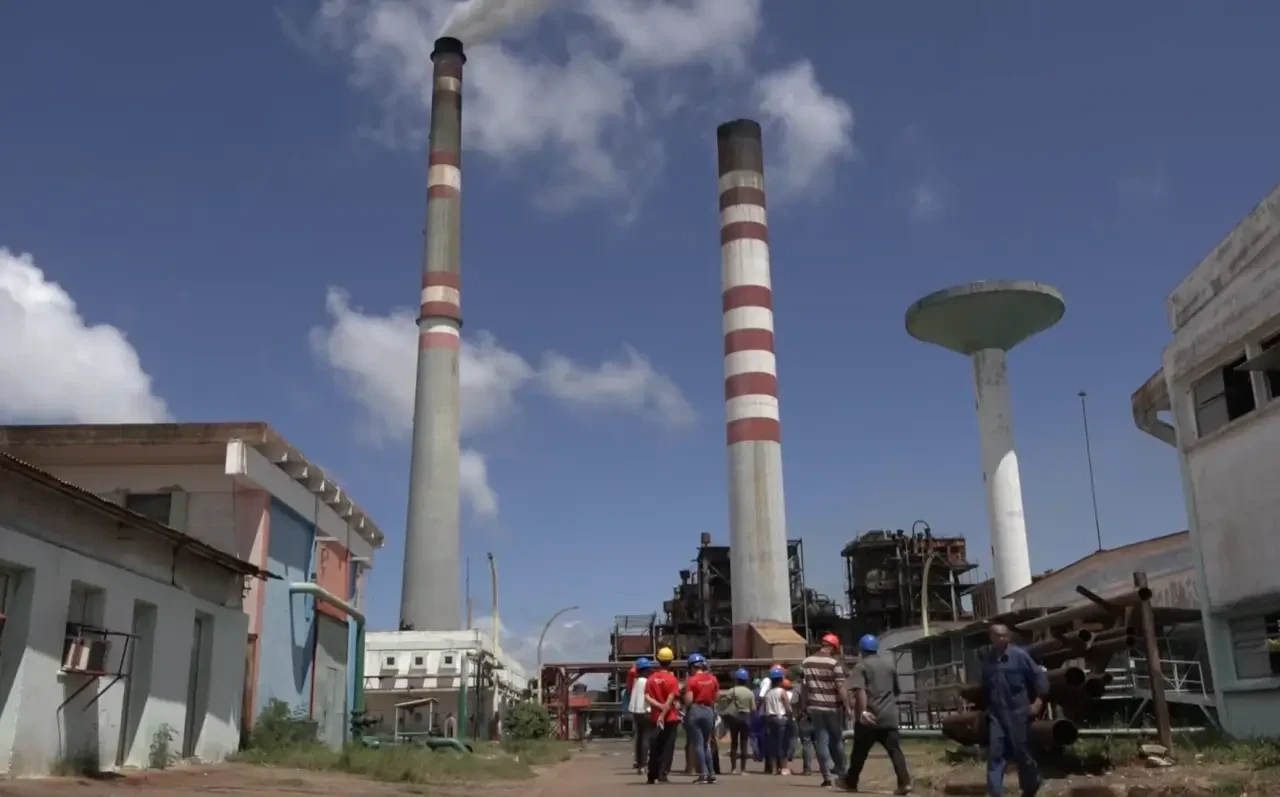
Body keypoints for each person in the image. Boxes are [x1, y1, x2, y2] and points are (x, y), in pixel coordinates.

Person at [980, 623, 1048, 797]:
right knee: (995, 756)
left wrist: (1038, 701)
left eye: (1005, 635)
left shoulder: (1019, 656)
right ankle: (995, 793)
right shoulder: (988, 660)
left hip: (1018, 713)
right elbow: (986, 686)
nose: (1002, 638)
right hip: (997, 715)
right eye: (998, 635)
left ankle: (1031, 785)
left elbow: (1038, 675)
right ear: (991, 638)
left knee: (1022, 753)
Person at [845, 634, 912, 795]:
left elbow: (860, 691)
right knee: (895, 751)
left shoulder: (861, 666)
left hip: (869, 718)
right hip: (889, 717)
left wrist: (863, 711)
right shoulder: (889, 666)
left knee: (859, 752)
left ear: (862, 650)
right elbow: (896, 691)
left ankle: (850, 782)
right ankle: (904, 783)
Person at [801, 633, 849, 788]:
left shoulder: (806, 662)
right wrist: (847, 706)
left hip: (814, 706)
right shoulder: (834, 663)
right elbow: (840, 687)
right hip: (832, 707)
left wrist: (803, 707)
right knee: (837, 740)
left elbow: (804, 688)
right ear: (833, 647)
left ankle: (826, 777)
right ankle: (842, 772)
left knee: (821, 740)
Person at [644, 646, 681, 784]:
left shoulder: (651, 678)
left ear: (658, 660)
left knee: (654, 746)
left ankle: (651, 775)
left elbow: (647, 697)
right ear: (671, 661)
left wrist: (659, 708)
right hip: (670, 718)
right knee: (667, 747)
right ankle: (662, 774)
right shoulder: (672, 679)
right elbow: (671, 697)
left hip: (654, 717)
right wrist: (664, 710)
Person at [683, 653, 719, 784]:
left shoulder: (691, 680)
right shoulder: (713, 679)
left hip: (695, 710)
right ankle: (711, 773)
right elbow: (716, 697)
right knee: (706, 744)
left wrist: (684, 707)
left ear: (691, 667)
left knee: (698, 744)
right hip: (709, 711)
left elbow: (689, 699)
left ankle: (703, 774)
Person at [718, 668, 754, 774]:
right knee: (744, 743)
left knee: (734, 743)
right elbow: (753, 708)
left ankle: (733, 768)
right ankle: (743, 769)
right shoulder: (750, 692)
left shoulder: (732, 691)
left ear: (736, 679)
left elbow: (725, 704)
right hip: (745, 717)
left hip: (734, 717)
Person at [760, 666, 792, 775]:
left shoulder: (768, 693)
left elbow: (765, 708)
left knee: (772, 744)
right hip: (781, 718)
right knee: (782, 744)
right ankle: (783, 767)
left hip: (770, 719)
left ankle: (773, 768)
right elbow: (787, 707)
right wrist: (790, 717)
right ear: (780, 680)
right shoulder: (782, 692)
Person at [628, 658, 654, 773]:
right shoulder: (647, 682)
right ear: (646, 670)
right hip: (645, 711)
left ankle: (639, 763)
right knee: (646, 738)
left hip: (636, 712)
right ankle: (644, 764)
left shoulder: (637, 682)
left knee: (639, 737)